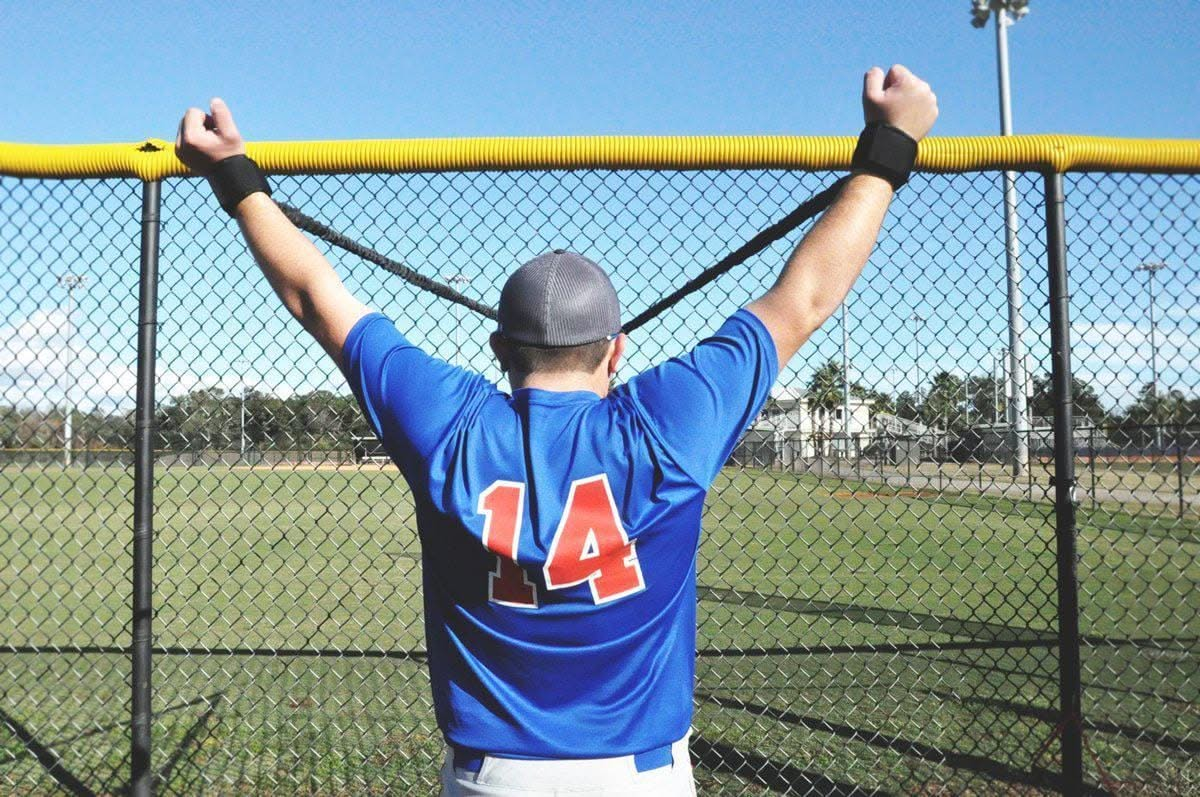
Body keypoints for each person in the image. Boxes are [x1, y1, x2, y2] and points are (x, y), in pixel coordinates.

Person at [175, 64, 937, 796]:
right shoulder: (668, 420)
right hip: (640, 774)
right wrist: (889, 148)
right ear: (616, 349)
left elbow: (316, 296)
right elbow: (802, 299)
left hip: (491, 773)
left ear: (500, 350)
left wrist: (234, 174)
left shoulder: (447, 420)